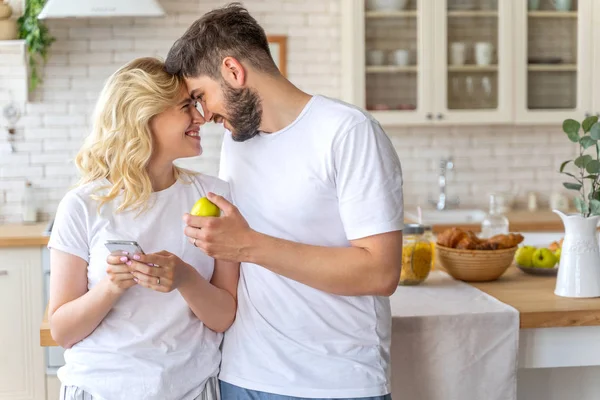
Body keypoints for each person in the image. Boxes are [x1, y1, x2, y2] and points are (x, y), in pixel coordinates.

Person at [165, 4, 404, 400]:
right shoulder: (236, 142)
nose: (203, 115)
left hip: (336, 381)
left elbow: (380, 273)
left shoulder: (347, 132)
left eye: (200, 97)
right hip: (244, 375)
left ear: (233, 71)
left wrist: (247, 245)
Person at [47, 57, 239, 400]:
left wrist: (185, 278)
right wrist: (111, 287)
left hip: (192, 390)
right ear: (144, 118)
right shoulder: (82, 206)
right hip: (98, 390)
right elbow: (62, 330)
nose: (201, 117)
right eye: (186, 107)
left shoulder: (215, 198)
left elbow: (223, 317)